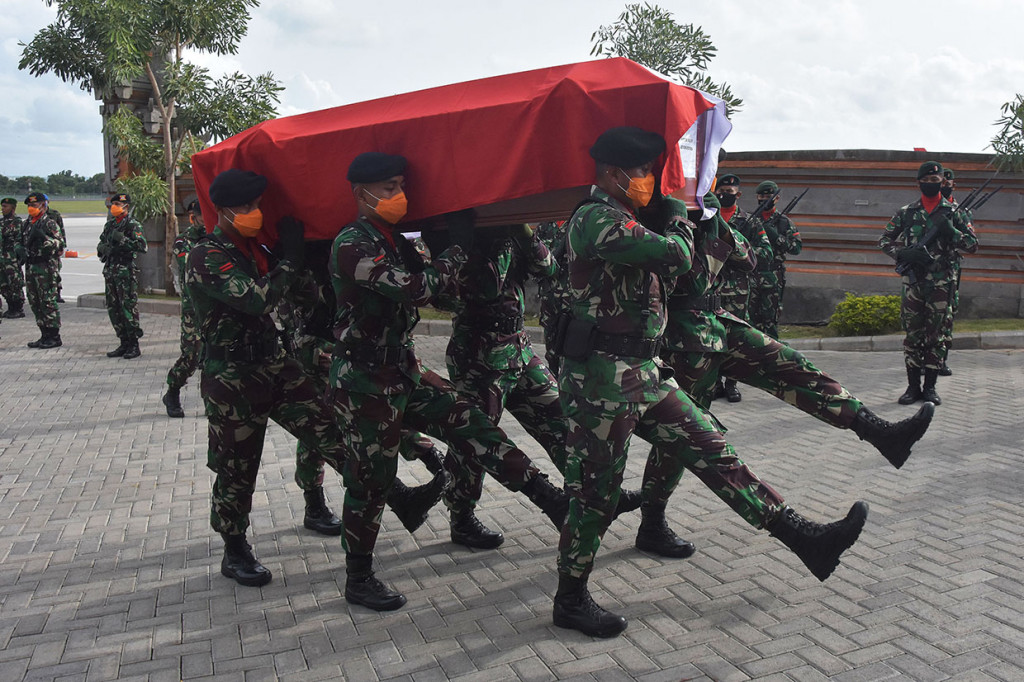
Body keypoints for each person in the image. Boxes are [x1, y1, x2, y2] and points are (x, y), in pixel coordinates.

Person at [553, 126, 867, 638]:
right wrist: (677, 215)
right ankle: (570, 597)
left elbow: (691, 274)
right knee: (596, 494)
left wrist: (684, 221)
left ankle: (802, 537)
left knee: (710, 446)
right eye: (641, 172)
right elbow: (676, 257)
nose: (650, 180)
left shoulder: (630, 217)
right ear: (612, 174)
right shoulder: (594, 219)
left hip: (646, 373)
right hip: (600, 381)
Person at [328, 152, 567, 612]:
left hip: (403, 369)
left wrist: (446, 246)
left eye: (401, 184)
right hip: (362, 380)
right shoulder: (352, 243)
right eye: (389, 187)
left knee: (471, 423)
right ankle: (358, 575)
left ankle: (547, 497)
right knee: (371, 481)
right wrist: (455, 247)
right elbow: (418, 290)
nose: (399, 194)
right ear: (362, 194)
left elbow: (435, 287)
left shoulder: (396, 239)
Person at [646, 188, 935, 472]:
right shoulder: (654, 213)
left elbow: (747, 260)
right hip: (682, 336)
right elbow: (688, 277)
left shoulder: (709, 214)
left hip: (717, 320)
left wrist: (716, 222)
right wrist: (680, 221)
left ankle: (879, 431)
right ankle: (653, 515)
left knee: (793, 366)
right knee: (682, 438)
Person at [187, 168, 355, 588]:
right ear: (223, 211)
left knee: (332, 430)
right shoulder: (206, 255)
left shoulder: (256, 250)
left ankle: (376, 497)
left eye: (257, 205)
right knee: (237, 467)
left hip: (275, 364)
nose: (254, 213)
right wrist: (290, 261)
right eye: (244, 207)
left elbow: (303, 297)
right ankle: (235, 547)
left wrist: (308, 260)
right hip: (232, 377)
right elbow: (257, 299)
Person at [439, 223, 641, 550]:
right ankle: (461, 515)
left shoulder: (515, 231)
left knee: (562, 419)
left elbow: (549, 268)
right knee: (476, 440)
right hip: (479, 355)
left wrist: (522, 232)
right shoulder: (459, 235)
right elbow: (486, 287)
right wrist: (495, 239)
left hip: (519, 347)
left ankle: (595, 495)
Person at [879, 161, 977, 405]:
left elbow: (972, 245)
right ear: (919, 182)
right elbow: (884, 240)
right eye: (928, 181)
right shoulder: (906, 212)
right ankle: (913, 388)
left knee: (936, 336)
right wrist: (902, 254)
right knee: (913, 336)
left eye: (937, 181)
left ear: (943, 182)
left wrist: (951, 231)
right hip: (914, 283)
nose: (932, 185)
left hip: (942, 283)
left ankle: (930, 388)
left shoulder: (954, 213)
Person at [712, 174, 770, 402]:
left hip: (738, 291)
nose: (724, 194)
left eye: (729, 190)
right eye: (721, 190)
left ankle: (732, 384)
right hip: (711, 288)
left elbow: (765, 253)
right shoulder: (708, 218)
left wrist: (737, 252)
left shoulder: (751, 221)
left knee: (735, 340)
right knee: (713, 337)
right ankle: (714, 383)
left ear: (739, 194)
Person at [163, 200, 206, 417]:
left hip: (217, 311)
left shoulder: (217, 238)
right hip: (194, 312)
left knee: (215, 358)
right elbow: (193, 267)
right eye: (201, 215)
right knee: (191, 357)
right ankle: (172, 391)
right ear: (194, 217)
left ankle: (213, 400)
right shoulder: (184, 241)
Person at [748, 180, 802, 339]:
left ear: (776, 198)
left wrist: (777, 238)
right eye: (761, 196)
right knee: (749, 317)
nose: (764, 199)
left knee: (770, 318)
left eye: (768, 196)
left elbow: (796, 248)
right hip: (751, 274)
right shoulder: (750, 220)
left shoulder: (784, 222)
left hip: (773, 275)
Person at [97, 193, 147, 359]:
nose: (114, 206)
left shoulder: (133, 225)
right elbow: (102, 242)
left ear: (127, 206)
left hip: (125, 271)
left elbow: (142, 246)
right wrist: (102, 248)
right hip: (111, 269)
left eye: (118, 203)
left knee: (127, 307)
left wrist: (123, 240)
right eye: (113, 203)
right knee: (114, 308)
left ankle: (133, 344)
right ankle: (123, 342)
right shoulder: (110, 225)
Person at [22, 192, 63, 348]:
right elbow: (21, 242)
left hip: (45, 267)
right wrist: (20, 249)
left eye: (35, 205)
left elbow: (59, 244)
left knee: (47, 302)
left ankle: (54, 336)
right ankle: (44, 334)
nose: (31, 208)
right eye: (29, 206)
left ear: (44, 206)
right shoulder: (27, 224)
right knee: (35, 301)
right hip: (31, 267)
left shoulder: (49, 224)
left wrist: (44, 239)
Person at [937, 167, 964, 377]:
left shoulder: (960, 211)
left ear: (954, 185)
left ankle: (941, 359)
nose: (945, 187)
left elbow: (970, 242)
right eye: (941, 183)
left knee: (947, 315)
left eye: (948, 184)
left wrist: (952, 232)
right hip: (926, 271)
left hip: (951, 270)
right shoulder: (924, 209)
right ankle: (921, 362)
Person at [0, 197, 26, 319]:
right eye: (2, 206)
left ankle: (18, 308)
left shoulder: (17, 222)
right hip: (2, 258)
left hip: (12, 258)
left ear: (13, 208)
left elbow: (20, 240)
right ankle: (10, 307)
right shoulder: (1, 222)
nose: (3, 208)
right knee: (4, 284)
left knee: (15, 283)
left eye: (6, 206)